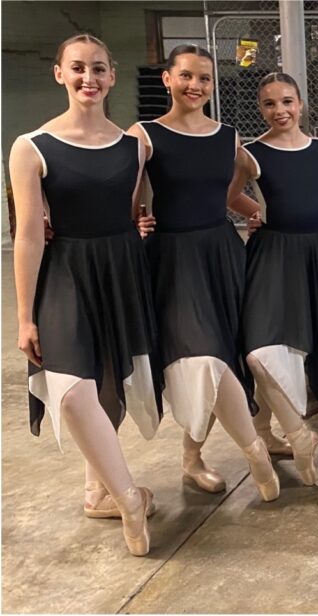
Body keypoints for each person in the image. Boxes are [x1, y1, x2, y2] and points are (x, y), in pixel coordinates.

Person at [11, 34, 160, 554]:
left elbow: (132, 212)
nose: (88, 79)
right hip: (65, 272)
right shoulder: (31, 147)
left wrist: (140, 228)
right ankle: (129, 499)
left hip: (120, 270)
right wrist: (24, 316)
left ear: (113, 76)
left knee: (109, 388)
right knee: (71, 390)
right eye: (77, 69)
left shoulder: (134, 147)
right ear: (59, 74)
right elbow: (27, 235)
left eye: (98, 69)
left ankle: (100, 487)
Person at [128, 44, 279, 501]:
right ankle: (254, 452)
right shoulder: (144, 135)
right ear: (168, 80)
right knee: (202, 354)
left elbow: (236, 192)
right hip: (173, 259)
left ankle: (192, 457)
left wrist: (259, 214)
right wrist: (133, 222)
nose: (196, 86)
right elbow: (121, 194)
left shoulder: (228, 136)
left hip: (222, 253)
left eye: (205, 79)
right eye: (187, 76)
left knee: (228, 355)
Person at [231, 72, 318, 484]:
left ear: (300, 104)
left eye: (287, 101)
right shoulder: (252, 152)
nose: (279, 111)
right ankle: (297, 433)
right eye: (269, 104)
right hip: (269, 253)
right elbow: (229, 195)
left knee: (299, 343)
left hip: (310, 252)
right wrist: (254, 214)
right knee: (258, 349)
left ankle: (267, 433)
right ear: (260, 108)